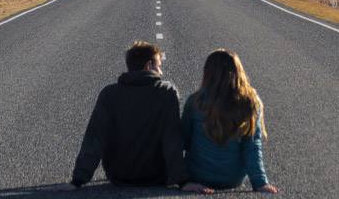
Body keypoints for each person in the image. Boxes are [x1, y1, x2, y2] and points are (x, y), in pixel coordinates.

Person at [62, 41, 210, 193]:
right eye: (159, 65)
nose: (161, 71)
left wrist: (77, 180)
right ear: (149, 65)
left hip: (119, 176)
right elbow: (171, 138)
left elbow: (94, 138)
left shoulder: (109, 94)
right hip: (158, 177)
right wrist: (183, 181)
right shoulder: (166, 92)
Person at [182, 49, 280, 194]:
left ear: (208, 73)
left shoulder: (195, 101)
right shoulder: (251, 102)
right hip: (232, 180)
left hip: (197, 176)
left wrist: (182, 181)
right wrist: (260, 182)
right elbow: (252, 145)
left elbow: (183, 140)